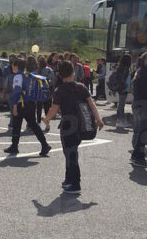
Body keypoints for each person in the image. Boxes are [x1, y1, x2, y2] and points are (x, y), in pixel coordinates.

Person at [44, 60, 104, 194]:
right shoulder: (81, 87)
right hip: (81, 124)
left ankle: (75, 183)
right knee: (71, 152)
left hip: (68, 125)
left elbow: (54, 109)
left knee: (70, 153)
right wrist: (98, 120)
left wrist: (46, 119)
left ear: (59, 74)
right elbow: (92, 104)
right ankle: (68, 179)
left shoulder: (59, 90)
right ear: (73, 72)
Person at [3, 58, 51, 156]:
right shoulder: (30, 75)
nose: (12, 67)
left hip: (22, 103)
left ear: (16, 66)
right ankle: (45, 144)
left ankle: (14, 146)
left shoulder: (18, 76)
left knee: (16, 124)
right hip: (31, 103)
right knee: (33, 125)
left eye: (13, 65)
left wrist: (15, 105)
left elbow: (17, 91)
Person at [112, 54, 132, 128]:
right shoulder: (125, 69)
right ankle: (120, 121)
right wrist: (126, 87)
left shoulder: (121, 67)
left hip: (122, 88)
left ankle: (119, 120)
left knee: (121, 104)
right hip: (123, 88)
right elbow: (124, 80)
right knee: (121, 105)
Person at [36, 55, 55, 130]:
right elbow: (52, 80)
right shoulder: (49, 69)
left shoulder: (36, 70)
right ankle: (47, 123)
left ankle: (38, 123)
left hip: (38, 91)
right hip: (47, 90)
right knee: (47, 108)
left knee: (39, 107)